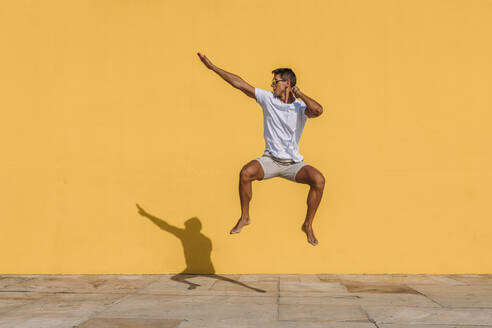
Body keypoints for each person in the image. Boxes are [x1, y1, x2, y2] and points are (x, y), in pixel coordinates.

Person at [197, 52, 325, 246]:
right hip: (271, 160)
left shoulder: (300, 108)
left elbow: (318, 110)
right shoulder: (268, 99)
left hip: (293, 164)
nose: (272, 84)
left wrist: (298, 93)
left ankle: (307, 225)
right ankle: (245, 217)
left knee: (319, 180)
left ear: (287, 84)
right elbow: (240, 84)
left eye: (276, 81)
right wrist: (213, 68)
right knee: (246, 173)